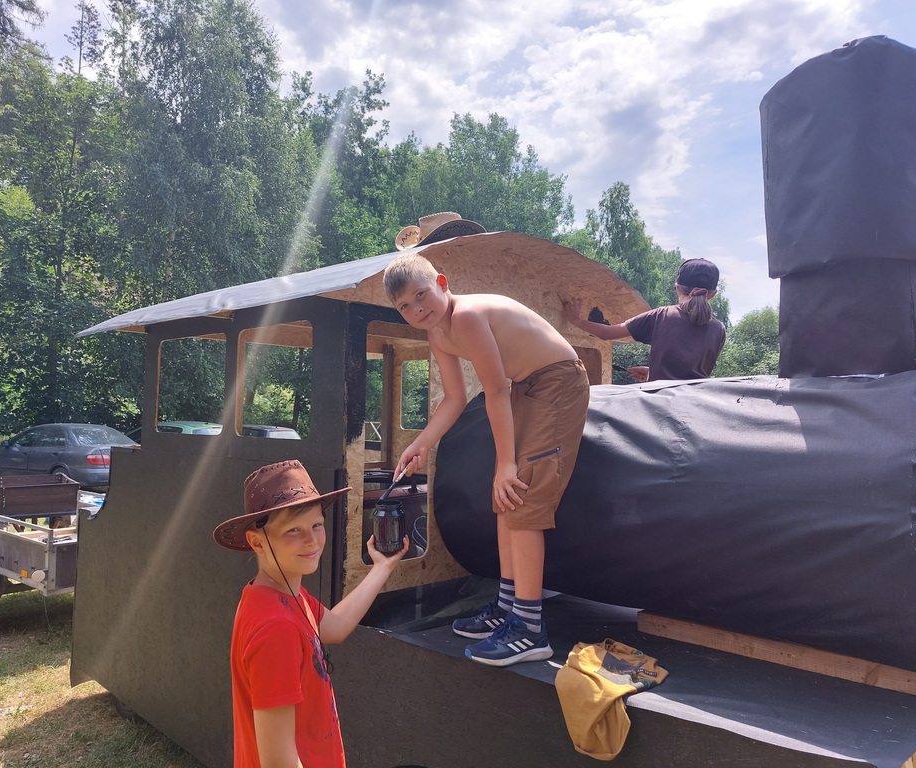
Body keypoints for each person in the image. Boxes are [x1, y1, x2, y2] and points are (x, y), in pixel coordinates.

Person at [383, 251, 589, 667]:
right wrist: (422, 443)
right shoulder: (438, 334)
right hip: (526, 385)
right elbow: (455, 398)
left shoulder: (466, 316)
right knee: (505, 500)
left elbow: (494, 391)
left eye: (421, 295)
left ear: (442, 283)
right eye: (404, 306)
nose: (416, 309)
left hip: (559, 380)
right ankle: (509, 605)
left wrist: (506, 463)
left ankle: (529, 627)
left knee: (520, 493)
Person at [213, 459, 408, 768]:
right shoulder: (276, 628)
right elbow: (278, 762)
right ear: (257, 541)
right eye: (293, 530)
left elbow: (335, 627)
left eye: (317, 525)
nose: (312, 540)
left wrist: (382, 567)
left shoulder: (282, 595)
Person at [564, 258, 726, 382]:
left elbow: (608, 333)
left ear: (677, 288)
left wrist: (576, 320)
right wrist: (652, 372)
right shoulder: (718, 329)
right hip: (696, 403)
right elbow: (691, 373)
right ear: (712, 295)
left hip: (659, 402)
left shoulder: (663, 315)